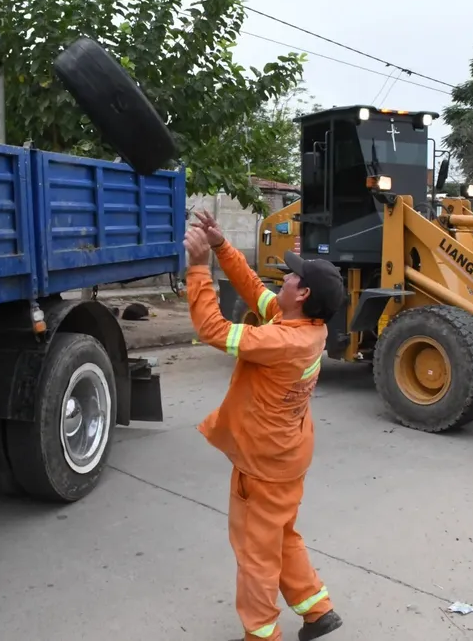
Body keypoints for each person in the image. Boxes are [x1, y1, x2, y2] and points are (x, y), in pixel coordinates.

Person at [183, 211, 346, 641]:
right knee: (281, 534)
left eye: (292, 277)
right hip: (288, 457)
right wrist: (221, 246)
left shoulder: (280, 341)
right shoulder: (304, 325)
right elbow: (254, 289)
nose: (283, 279)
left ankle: (261, 634)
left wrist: (198, 267)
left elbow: (213, 329)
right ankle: (317, 608)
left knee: (255, 555)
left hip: (263, 465)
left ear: (303, 292)